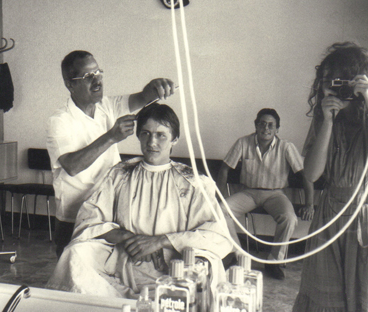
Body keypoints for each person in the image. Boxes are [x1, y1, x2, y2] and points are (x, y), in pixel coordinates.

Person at [46, 103, 232, 298]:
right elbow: (89, 219)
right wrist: (130, 239)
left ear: (174, 139)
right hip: (123, 260)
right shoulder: (120, 173)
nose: (152, 142)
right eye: (145, 133)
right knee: (75, 254)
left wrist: (160, 242)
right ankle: (117, 302)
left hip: (172, 264)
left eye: (161, 135)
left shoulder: (194, 182)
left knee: (208, 265)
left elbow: (216, 235)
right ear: (138, 136)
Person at [293, 42, 368, 312]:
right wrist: (328, 122)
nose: (340, 89)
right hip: (331, 218)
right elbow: (311, 174)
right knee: (325, 300)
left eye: (346, 81)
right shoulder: (326, 114)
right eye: (333, 81)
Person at [46, 51, 175, 258]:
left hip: (110, 209)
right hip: (75, 213)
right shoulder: (59, 121)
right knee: (73, 267)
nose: (97, 81)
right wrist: (111, 137)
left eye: (98, 73)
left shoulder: (107, 106)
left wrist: (156, 86)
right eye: (88, 77)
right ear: (70, 84)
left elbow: (143, 97)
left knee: (109, 267)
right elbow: (72, 166)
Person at [217, 108, 314, 280]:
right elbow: (224, 169)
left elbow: (305, 175)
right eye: (262, 123)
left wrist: (309, 204)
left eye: (271, 125)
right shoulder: (243, 142)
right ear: (256, 125)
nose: (266, 128)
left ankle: (274, 261)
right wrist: (219, 197)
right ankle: (237, 255)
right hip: (248, 193)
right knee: (221, 210)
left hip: (276, 195)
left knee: (289, 218)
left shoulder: (286, 147)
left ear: (277, 129)